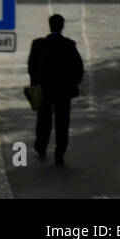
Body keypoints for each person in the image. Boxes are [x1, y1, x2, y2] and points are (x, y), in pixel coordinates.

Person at [28, 13, 84, 166]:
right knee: (62, 122)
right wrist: (74, 83)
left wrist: (35, 85)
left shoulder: (38, 44)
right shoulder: (69, 45)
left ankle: (41, 146)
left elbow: (32, 66)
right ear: (62, 26)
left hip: (44, 90)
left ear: (49, 25)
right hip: (63, 91)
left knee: (43, 120)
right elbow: (78, 67)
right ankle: (60, 152)